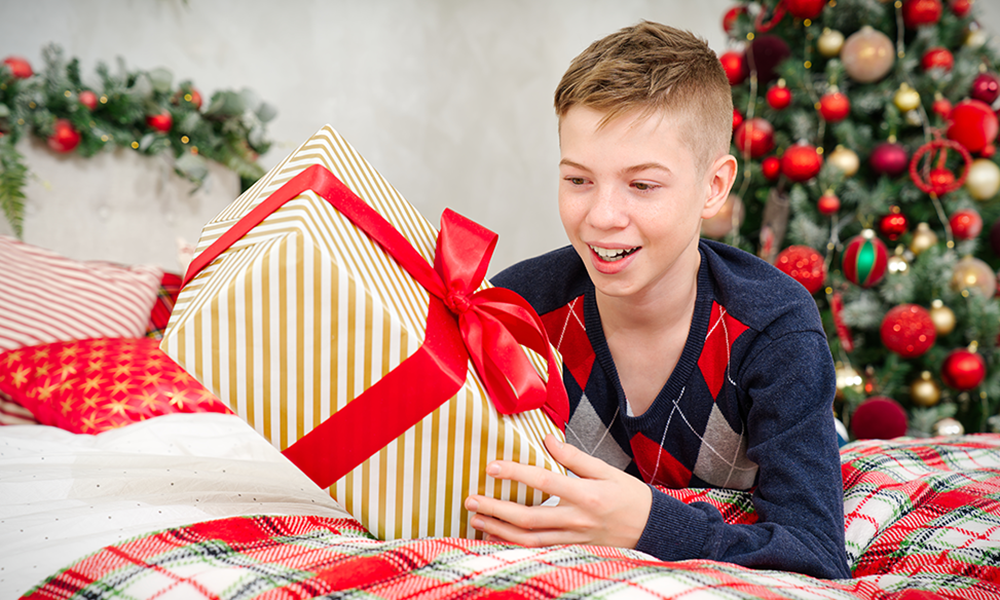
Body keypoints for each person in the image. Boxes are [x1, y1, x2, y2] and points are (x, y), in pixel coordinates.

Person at [463, 20, 851, 580]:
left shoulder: (775, 330)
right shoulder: (516, 307)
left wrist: (648, 523)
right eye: (578, 180)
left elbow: (817, 553)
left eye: (642, 185)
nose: (601, 216)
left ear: (713, 188)